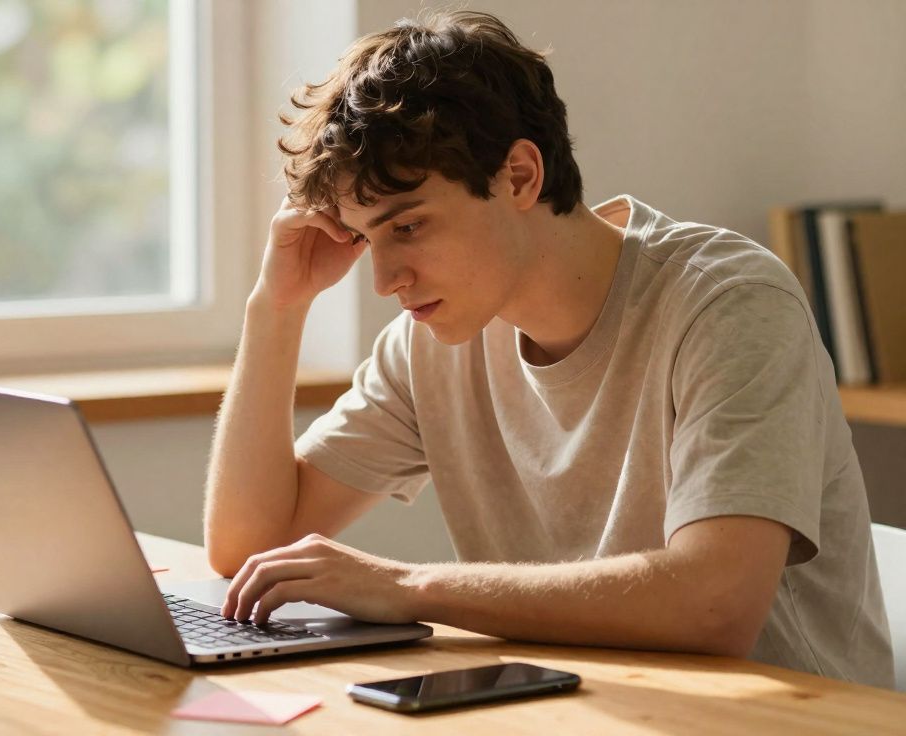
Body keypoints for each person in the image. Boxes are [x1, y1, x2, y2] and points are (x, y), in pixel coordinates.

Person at [201, 10, 894, 687]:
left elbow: (717, 603)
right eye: (364, 238)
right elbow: (248, 546)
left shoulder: (729, 304)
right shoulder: (430, 343)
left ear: (520, 176)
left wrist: (408, 587)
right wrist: (277, 308)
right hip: (583, 705)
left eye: (407, 227)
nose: (385, 281)